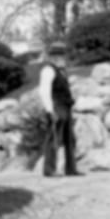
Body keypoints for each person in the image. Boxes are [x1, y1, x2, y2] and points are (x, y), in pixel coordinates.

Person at [38, 45, 79, 176]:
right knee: (54, 137)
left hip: (65, 106)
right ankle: (49, 170)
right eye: (62, 56)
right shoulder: (48, 70)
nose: (64, 59)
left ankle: (71, 169)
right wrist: (50, 110)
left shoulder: (61, 71)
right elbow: (44, 91)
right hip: (56, 106)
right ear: (55, 57)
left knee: (69, 138)